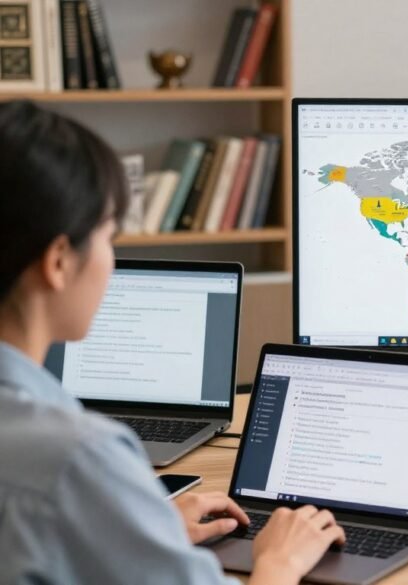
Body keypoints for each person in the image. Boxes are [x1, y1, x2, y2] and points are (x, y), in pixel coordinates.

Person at [0, 100, 345, 585]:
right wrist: (279, 562)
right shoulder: (79, 458)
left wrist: (137, 529)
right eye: (108, 237)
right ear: (58, 262)